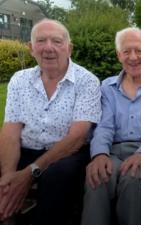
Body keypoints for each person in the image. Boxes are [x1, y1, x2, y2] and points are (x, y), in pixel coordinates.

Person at [0, 19, 101, 225]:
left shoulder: (87, 81)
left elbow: (77, 137)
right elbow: (10, 131)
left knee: (57, 176)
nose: (48, 48)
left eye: (56, 41)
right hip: (26, 149)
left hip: (67, 153)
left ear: (69, 48)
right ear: (31, 48)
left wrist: (30, 173)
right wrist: (10, 178)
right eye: (41, 41)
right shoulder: (19, 80)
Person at [81, 27, 141, 225]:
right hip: (113, 152)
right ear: (118, 55)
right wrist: (99, 154)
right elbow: (104, 126)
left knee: (134, 178)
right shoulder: (107, 86)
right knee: (98, 177)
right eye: (126, 51)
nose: (133, 57)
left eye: (139, 51)